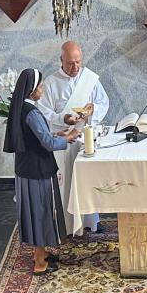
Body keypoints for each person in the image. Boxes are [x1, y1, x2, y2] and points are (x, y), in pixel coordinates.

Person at [4, 69, 80, 274]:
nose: (42, 89)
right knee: (41, 212)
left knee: (35, 212)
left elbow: (35, 136)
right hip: (37, 171)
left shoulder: (21, 108)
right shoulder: (32, 113)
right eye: (40, 86)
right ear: (31, 90)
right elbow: (47, 144)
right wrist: (68, 137)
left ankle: (40, 253)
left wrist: (56, 133)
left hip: (25, 169)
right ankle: (39, 262)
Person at [39, 40, 112, 234]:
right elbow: (43, 112)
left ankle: (90, 222)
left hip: (85, 138)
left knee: (89, 181)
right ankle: (66, 224)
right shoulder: (51, 83)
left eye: (78, 62)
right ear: (61, 60)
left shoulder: (89, 79)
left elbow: (103, 102)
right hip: (64, 142)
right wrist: (63, 118)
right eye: (70, 63)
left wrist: (92, 110)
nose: (75, 67)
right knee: (67, 182)